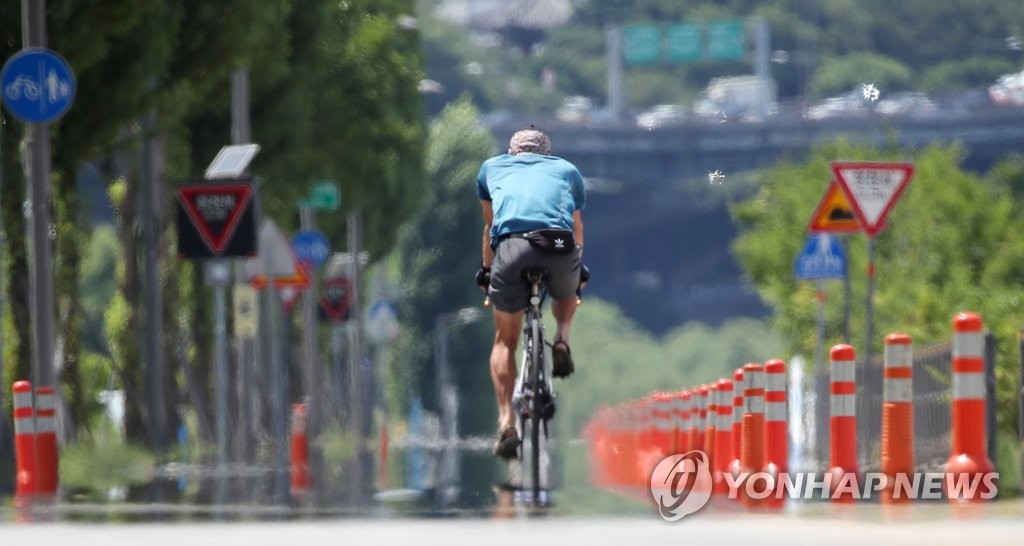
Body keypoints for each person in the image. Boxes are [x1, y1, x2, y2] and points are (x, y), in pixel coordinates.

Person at [475, 126, 587, 459]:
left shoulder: (491, 168)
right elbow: (577, 226)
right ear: (546, 153)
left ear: (513, 152)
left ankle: (507, 420)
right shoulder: (567, 170)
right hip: (559, 246)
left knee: (504, 340)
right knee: (569, 290)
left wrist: (486, 270)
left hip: (512, 250)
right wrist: (578, 271)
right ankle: (563, 338)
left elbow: (491, 226)